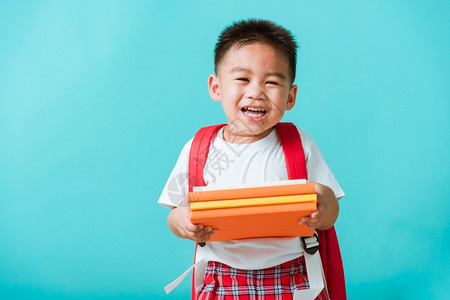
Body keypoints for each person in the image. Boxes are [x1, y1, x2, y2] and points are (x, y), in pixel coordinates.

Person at [158, 19, 344, 299]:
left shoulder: (299, 145)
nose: (256, 92)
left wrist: (325, 203)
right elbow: (174, 212)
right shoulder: (199, 149)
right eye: (243, 79)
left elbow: (329, 216)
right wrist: (183, 222)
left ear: (290, 97)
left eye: (271, 82)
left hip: (291, 277)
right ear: (216, 87)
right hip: (222, 276)